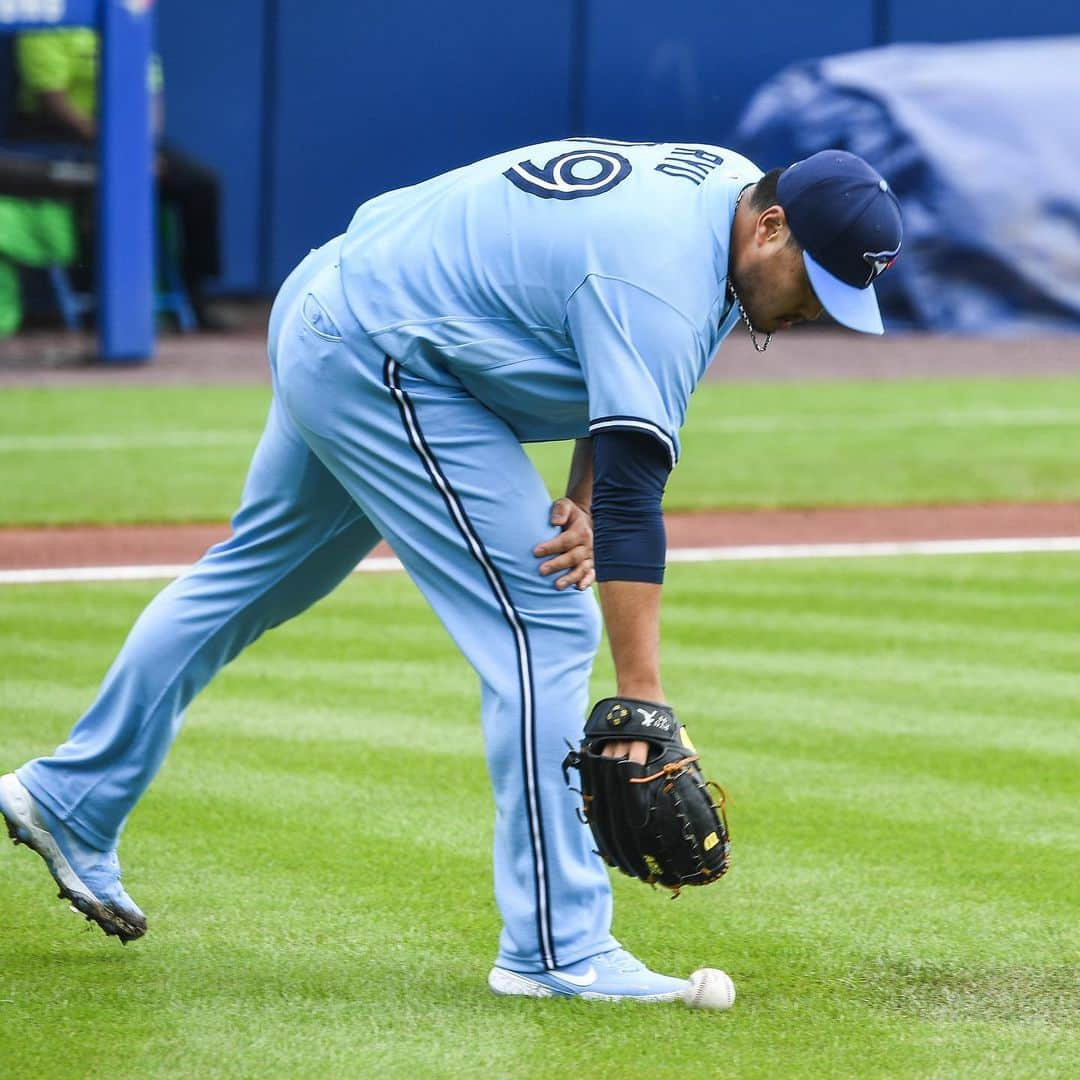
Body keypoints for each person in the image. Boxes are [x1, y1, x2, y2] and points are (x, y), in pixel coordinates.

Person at [0, 141, 901, 1002]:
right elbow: (635, 497)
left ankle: (71, 797)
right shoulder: (663, 271)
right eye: (815, 287)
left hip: (339, 299)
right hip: (382, 353)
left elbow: (612, 378)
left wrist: (578, 489)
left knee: (253, 575)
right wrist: (643, 699)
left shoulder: (723, 201)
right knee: (545, 619)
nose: (814, 310)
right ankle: (559, 949)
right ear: (773, 227)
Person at [12, 28, 223, 327]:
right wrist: (120, 150)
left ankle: (197, 295)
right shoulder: (49, 20)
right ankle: (99, 305)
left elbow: (151, 92)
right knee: (104, 186)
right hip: (66, 138)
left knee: (201, 183)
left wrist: (142, 146)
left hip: (130, 136)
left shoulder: (130, 16)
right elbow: (52, 100)